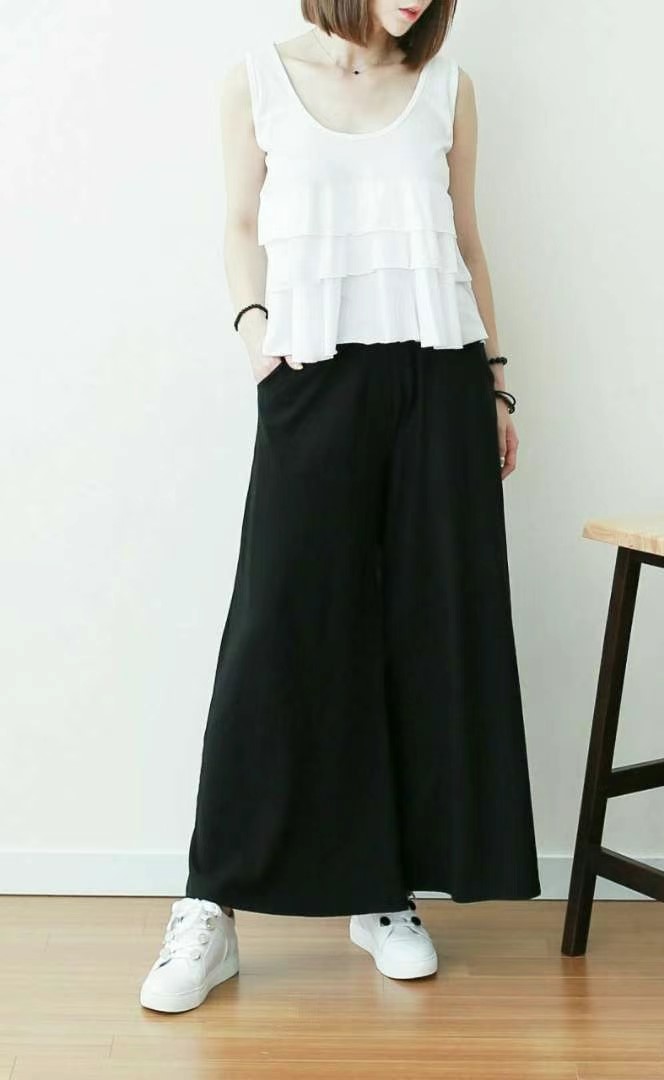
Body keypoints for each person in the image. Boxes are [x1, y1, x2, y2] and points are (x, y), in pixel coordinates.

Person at [139, 0, 541, 1014]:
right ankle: (208, 903)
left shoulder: (447, 88)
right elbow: (238, 225)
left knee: (420, 633)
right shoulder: (256, 81)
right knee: (278, 629)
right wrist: (254, 334)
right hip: (311, 373)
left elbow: (467, 239)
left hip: (439, 375)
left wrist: (495, 382)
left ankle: (382, 890)